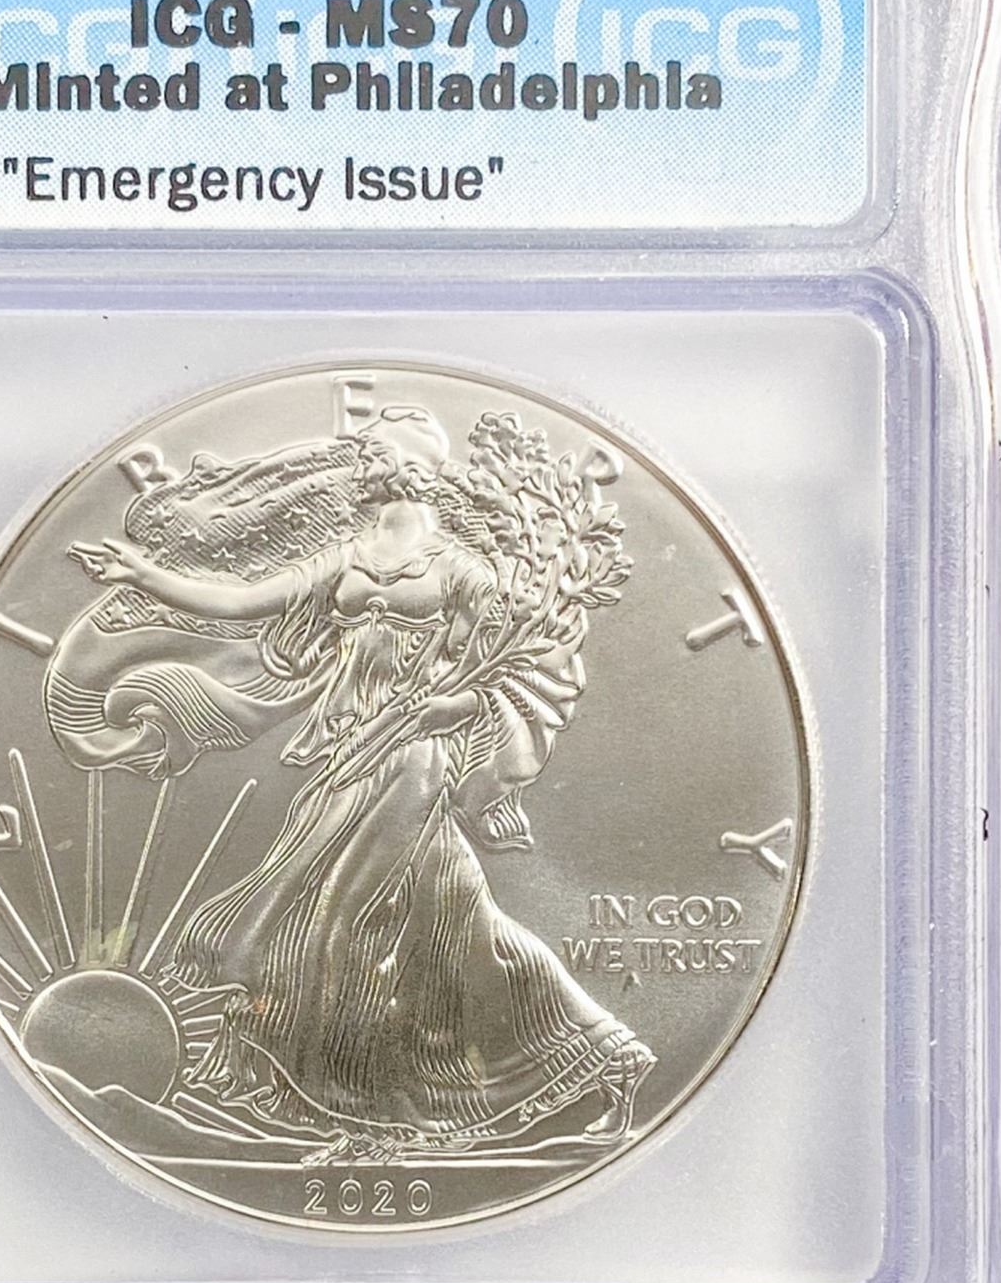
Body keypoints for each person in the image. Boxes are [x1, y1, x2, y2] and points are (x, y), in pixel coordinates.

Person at [72, 405, 652, 1156]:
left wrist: (450, 706)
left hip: (412, 757)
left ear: (411, 468)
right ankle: (605, 1056)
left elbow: (518, 666)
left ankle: (372, 1117)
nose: (364, 463)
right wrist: (146, 575)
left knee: (342, 922)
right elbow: (245, 602)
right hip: (348, 750)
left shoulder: (460, 569)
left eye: (377, 453)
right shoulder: (347, 557)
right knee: (454, 927)